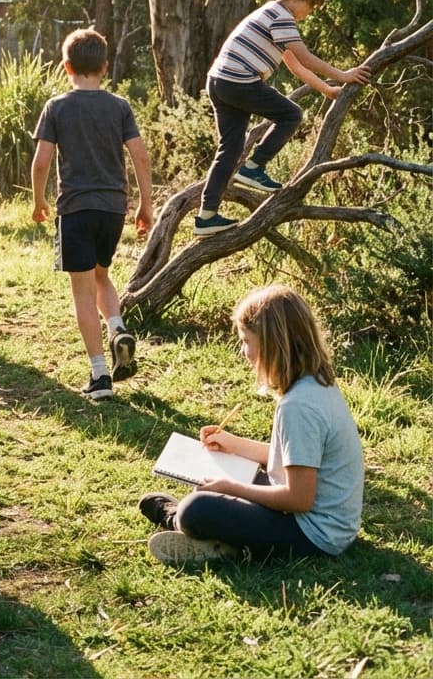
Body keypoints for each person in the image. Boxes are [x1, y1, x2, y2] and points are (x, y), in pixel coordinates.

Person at [139, 284, 364, 566]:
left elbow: (299, 498)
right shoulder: (316, 385)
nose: (243, 351)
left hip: (315, 535)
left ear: (272, 344)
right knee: (223, 482)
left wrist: (232, 488)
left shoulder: (299, 406)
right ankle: (225, 542)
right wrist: (233, 445)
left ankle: (181, 521)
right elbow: (294, 458)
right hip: (328, 523)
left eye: (246, 340)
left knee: (195, 509)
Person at [195, 0, 372, 237]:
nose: (309, 13)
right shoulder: (282, 16)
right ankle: (254, 167)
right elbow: (306, 58)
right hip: (239, 80)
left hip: (219, 82)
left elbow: (295, 66)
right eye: (310, 6)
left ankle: (206, 216)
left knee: (230, 147)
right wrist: (344, 75)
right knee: (291, 115)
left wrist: (327, 89)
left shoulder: (269, 14)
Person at [31, 28, 154, 400]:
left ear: (66, 66)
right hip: (113, 209)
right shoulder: (119, 106)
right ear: (104, 67)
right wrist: (146, 204)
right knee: (102, 276)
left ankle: (100, 376)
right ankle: (117, 329)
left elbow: (41, 162)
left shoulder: (57, 106)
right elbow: (140, 156)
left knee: (82, 294)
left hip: (76, 209)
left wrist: (38, 200)